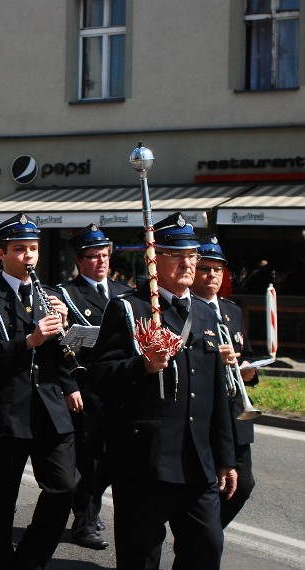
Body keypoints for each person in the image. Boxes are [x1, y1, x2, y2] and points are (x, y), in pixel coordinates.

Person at [90, 212, 237, 569]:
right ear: (155, 259)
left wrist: (225, 456)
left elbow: (217, 392)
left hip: (197, 460)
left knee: (206, 548)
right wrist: (143, 365)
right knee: (141, 557)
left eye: (193, 256)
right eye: (177, 255)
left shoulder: (205, 314)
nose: (188, 263)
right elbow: (100, 378)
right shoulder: (128, 308)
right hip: (147, 459)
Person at [0, 212, 79, 569]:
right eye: (19, 249)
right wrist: (29, 340)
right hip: (7, 408)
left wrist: (67, 326)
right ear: (1, 254)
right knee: (3, 498)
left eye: (33, 249)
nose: (29, 257)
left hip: (49, 406)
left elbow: (65, 354)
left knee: (65, 485)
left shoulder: (51, 293)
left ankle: (29, 559)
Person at [57, 223, 132, 551]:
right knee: (89, 459)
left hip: (119, 388)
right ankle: (84, 520)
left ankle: (87, 509)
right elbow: (58, 348)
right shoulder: (65, 295)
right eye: (93, 256)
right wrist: (68, 385)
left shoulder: (124, 294)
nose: (101, 261)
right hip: (85, 389)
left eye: (105, 255)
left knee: (113, 460)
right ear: (79, 260)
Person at [192, 235, 258, 529]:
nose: (212, 275)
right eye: (205, 268)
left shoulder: (231, 310)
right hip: (205, 413)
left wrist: (248, 371)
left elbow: (250, 358)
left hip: (234, 413)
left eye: (218, 269)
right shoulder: (187, 310)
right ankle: (201, 539)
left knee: (243, 486)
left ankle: (206, 535)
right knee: (206, 486)